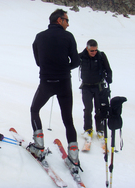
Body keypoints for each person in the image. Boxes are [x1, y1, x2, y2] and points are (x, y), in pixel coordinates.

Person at [30, 9, 80, 174]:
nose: (68, 23)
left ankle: (38, 145)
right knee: (68, 120)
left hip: (47, 83)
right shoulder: (68, 36)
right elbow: (76, 61)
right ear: (59, 20)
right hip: (64, 83)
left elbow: (38, 61)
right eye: (66, 20)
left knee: (35, 109)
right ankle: (73, 157)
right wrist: (64, 67)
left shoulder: (39, 37)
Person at [79, 39, 112, 139]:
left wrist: (109, 77)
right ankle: (88, 129)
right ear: (87, 48)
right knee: (88, 108)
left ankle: (100, 129)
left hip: (99, 87)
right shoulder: (81, 57)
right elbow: (70, 63)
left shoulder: (101, 56)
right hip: (86, 86)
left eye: (95, 50)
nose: (94, 53)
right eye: (92, 51)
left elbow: (108, 69)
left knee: (99, 109)